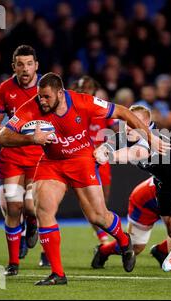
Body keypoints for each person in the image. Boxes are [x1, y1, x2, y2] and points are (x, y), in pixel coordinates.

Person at [0, 72, 169, 286]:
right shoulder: (33, 106)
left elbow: (123, 112)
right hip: (52, 163)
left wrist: (149, 136)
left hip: (81, 160)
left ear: (60, 93)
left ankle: (124, 241)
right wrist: (32, 138)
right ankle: (58, 274)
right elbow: (1, 136)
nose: (42, 101)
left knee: (98, 216)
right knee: (43, 210)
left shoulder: (82, 102)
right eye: (40, 96)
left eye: (47, 97)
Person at [94, 105, 171, 280]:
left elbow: (135, 153)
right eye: (127, 122)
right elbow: (108, 144)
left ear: (147, 125)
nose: (129, 127)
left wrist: (110, 156)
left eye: (135, 123)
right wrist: (102, 149)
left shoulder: (153, 139)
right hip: (163, 185)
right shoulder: (125, 136)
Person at [0, 45, 44, 275]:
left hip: (39, 155)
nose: (25, 69)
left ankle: (33, 223)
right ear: (14, 66)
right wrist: (1, 133)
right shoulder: (6, 88)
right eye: (20, 64)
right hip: (13, 155)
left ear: (36, 65)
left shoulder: (47, 87)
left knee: (31, 205)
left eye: (29, 64)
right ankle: (13, 263)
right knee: (13, 206)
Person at [77, 75, 118, 244]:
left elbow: (116, 129)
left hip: (101, 159)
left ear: (94, 90)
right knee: (87, 200)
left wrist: (109, 145)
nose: (85, 90)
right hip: (81, 159)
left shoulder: (100, 108)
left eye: (88, 87)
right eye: (82, 87)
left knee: (103, 201)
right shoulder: (72, 108)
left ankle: (103, 232)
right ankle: (103, 238)